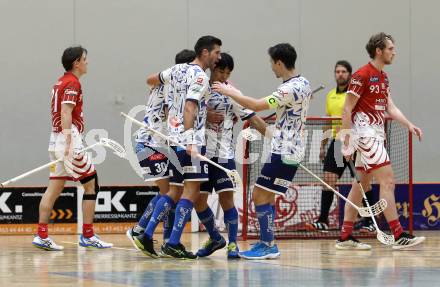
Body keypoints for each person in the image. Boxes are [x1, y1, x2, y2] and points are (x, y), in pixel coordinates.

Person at [213, 43, 312, 259]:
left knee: (258, 193)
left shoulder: (287, 89)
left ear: (279, 62)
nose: (271, 68)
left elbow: (257, 105)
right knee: (267, 196)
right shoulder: (304, 83)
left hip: (284, 149)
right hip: (294, 149)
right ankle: (269, 243)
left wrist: (230, 92)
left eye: (272, 63)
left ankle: (267, 244)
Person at [134, 35, 222, 259]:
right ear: (204, 52)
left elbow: (150, 79)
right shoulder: (200, 76)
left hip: (172, 142)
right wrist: (192, 140)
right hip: (190, 142)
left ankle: (146, 234)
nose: (218, 57)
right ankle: (172, 243)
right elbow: (191, 106)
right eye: (216, 53)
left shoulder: (176, 70)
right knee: (190, 193)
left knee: (173, 191)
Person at [337, 32, 425, 250]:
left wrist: (409, 124)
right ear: (379, 50)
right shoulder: (361, 75)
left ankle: (345, 236)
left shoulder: (383, 77)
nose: (394, 52)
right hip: (366, 135)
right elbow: (346, 109)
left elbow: (391, 108)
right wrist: (346, 142)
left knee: (361, 185)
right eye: (391, 48)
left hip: (376, 134)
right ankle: (397, 235)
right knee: (387, 181)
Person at [32, 46, 112, 251]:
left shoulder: (60, 81)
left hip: (55, 139)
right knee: (92, 185)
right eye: (85, 59)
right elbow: (66, 112)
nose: (87, 62)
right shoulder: (72, 83)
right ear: (76, 62)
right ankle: (88, 235)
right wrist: (69, 143)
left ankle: (41, 235)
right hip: (68, 141)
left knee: (54, 188)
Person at [193, 52, 267, 259]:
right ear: (211, 69)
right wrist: (205, 114)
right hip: (201, 154)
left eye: (228, 72)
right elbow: (185, 111)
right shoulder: (199, 87)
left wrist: (272, 136)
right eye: (220, 71)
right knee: (198, 201)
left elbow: (252, 117)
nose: (224, 76)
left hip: (224, 155)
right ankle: (215, 237)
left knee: (227, 200)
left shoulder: (232, 92)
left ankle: (233, 244)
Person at [126, 49, 196, 250]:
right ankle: (139, 230)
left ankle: (166, 239)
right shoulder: (170, 85)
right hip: (150, 143)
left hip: (159, 144)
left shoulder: (167, 82)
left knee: (173, 191)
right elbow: (171, 113)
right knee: (170, 192)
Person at [306, 61, 375, 232]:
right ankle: (323, 221)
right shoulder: (330, 95)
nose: (340, 74)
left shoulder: (356, 93)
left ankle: (370, 222)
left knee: (362, 183)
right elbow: (328, 121)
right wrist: (322, 145)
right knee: (328, 181)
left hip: (356, 142)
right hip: (337, 143)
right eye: (337, 71)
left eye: (344, 71)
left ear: (350, 74)